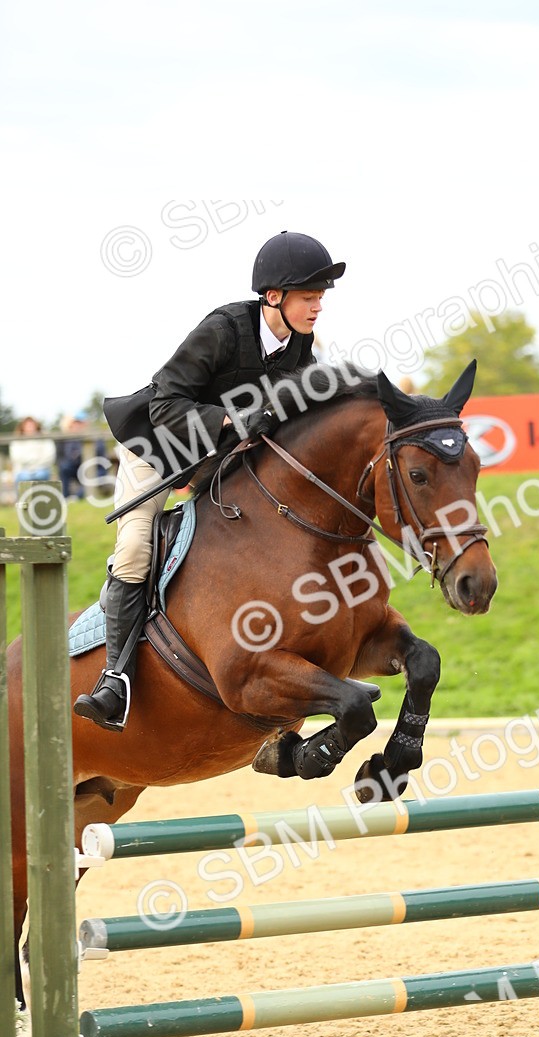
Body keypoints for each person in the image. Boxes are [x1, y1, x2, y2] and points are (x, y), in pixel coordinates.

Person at [74, 231, 345, 732]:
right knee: (135, 546)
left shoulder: (301, 346)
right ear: (274, 297)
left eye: (321, 297)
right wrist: (232, 418)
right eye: (310, 297)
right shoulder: (223, 329)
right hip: (157, 446)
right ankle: (115, 679)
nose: (317, 307)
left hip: (217, 460)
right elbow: (165, 403)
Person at [9, 417, 57, 484]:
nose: (30, 427)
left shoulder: (45, 438)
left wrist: (33, 464)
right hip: (22, 471)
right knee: (23, 477)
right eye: (27, 425)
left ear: (36, 426)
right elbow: (16, 457)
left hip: (42, 469)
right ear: (23, 427)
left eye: (31, 425)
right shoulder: (16, 440)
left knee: (41, 475)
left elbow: (49, 456)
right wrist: (34, 461)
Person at [56, 412, 89, 500]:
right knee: (64, 467)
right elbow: (61, 457)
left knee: (91, 476)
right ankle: (65, 497)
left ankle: (77, 497)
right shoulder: (66, 439)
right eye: (75, 423)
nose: (77, 426)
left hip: (89, 467)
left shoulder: (91, 435)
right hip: (74, 467)